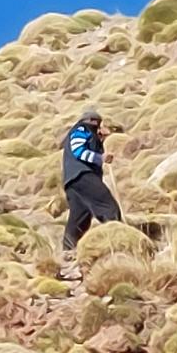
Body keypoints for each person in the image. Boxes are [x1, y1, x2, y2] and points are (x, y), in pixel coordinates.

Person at [61, 109, 123, 265]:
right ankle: (119, 244)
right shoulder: (82, 129)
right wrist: (99, 157)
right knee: (108, 208)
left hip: (72, 181)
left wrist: (98, 142)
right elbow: (79, 151)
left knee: (79, 219)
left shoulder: (88, 133)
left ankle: (68, 252)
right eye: (98, 124)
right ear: (93, 121)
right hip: (83, 175)